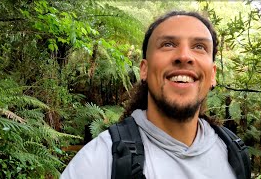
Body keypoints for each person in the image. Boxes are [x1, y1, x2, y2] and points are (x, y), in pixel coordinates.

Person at [61, 11, 237, 178]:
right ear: (144, 70)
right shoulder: (98, 161)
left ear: (213, 74)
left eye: (199, 46)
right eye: (168, 44)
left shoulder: (233, 153)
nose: (184, 56)